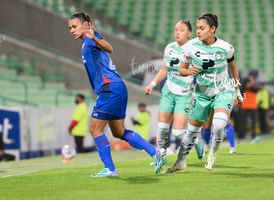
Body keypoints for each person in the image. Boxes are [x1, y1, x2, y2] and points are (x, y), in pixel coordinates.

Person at [68, 12, 165, 177]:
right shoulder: (86, 42)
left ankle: (110, 168)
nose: (71, 30)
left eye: (74, 26)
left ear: (85, 25)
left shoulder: (91, 38)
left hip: (110, 88)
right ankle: (155, 151)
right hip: (117, 87)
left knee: (95, 129)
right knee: (119, 132)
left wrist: (94, 37)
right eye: (70, 27)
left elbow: (109, 47)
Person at [166, 13, 243, 173]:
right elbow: (181, 69)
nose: (198, 31)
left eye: (202, 28)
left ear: (213, 29)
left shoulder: (226, 48)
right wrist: (188, 71)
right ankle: (180, 163)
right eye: (197, 28)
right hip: (202, 94)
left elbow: (233, 68)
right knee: (191, 132)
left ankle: (212, 156)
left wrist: (237, 90)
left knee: (219, 123)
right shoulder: (190, 47)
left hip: (224, 90)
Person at [145, 20, 204, 159]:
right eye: (176, 29)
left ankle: (196, 141)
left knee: (178, 133)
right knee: (162, 128)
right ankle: (160, 157)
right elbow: (164, 69)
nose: (177, 32)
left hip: (184, 94)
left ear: (189, 33)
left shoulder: (194, 49)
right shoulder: (169, 47)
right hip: (168, 92)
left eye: (182, 30)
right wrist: (152, 84)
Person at [237, 74, 260, 142]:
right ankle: (242, 135)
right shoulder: (244, 86)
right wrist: (250, 82)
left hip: (253, 106)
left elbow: (257, 89)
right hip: (245, 106)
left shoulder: (254, 87)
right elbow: (243, 88)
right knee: (242, 122)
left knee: (253, 122)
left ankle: (253, 136)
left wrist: (252, 82)